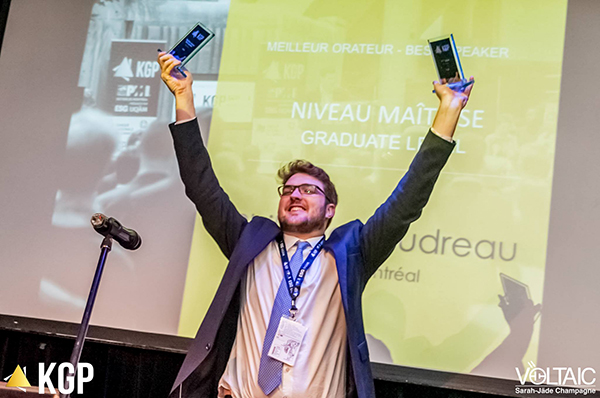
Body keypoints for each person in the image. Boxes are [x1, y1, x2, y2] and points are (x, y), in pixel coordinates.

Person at [157, 51, 474, 398]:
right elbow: (202, 186)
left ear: (330, 210)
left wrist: (449, 111)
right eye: (289, 189)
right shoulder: (249, 243)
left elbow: (407, 201)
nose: (295, 194)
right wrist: (184, 97)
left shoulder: (351, 255)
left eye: (309, 190)